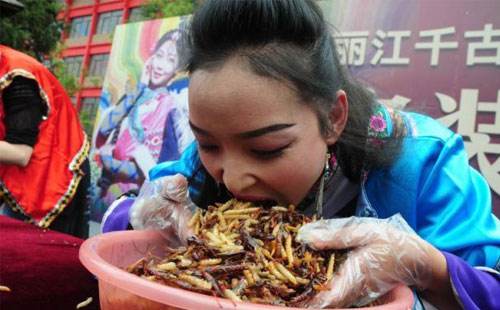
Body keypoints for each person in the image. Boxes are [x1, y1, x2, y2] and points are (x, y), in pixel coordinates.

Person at [101, 0, 500, 308]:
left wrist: (429, 267)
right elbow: (119, 228)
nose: (233, 178)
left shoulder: (421, 161)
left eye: (266, 149)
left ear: (333, 118)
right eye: (207, 143)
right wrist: (143, 215)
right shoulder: (201, 167)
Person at [0, 44, 90, 238]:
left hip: (52, 173)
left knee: (37, 257)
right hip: (15, 178)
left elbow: (20, 153)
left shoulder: (17, 75)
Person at [95, 29, 193, 206]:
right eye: (159, 55)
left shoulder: (172, 108)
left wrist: (111, 163)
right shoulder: (133, 97)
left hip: (140, 201)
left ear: (177, 69)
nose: (160, 65)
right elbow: (104, 131)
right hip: (109, 197)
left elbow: (161, 169)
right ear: (151, 57)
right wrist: (140, 88)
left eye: (170, 60)